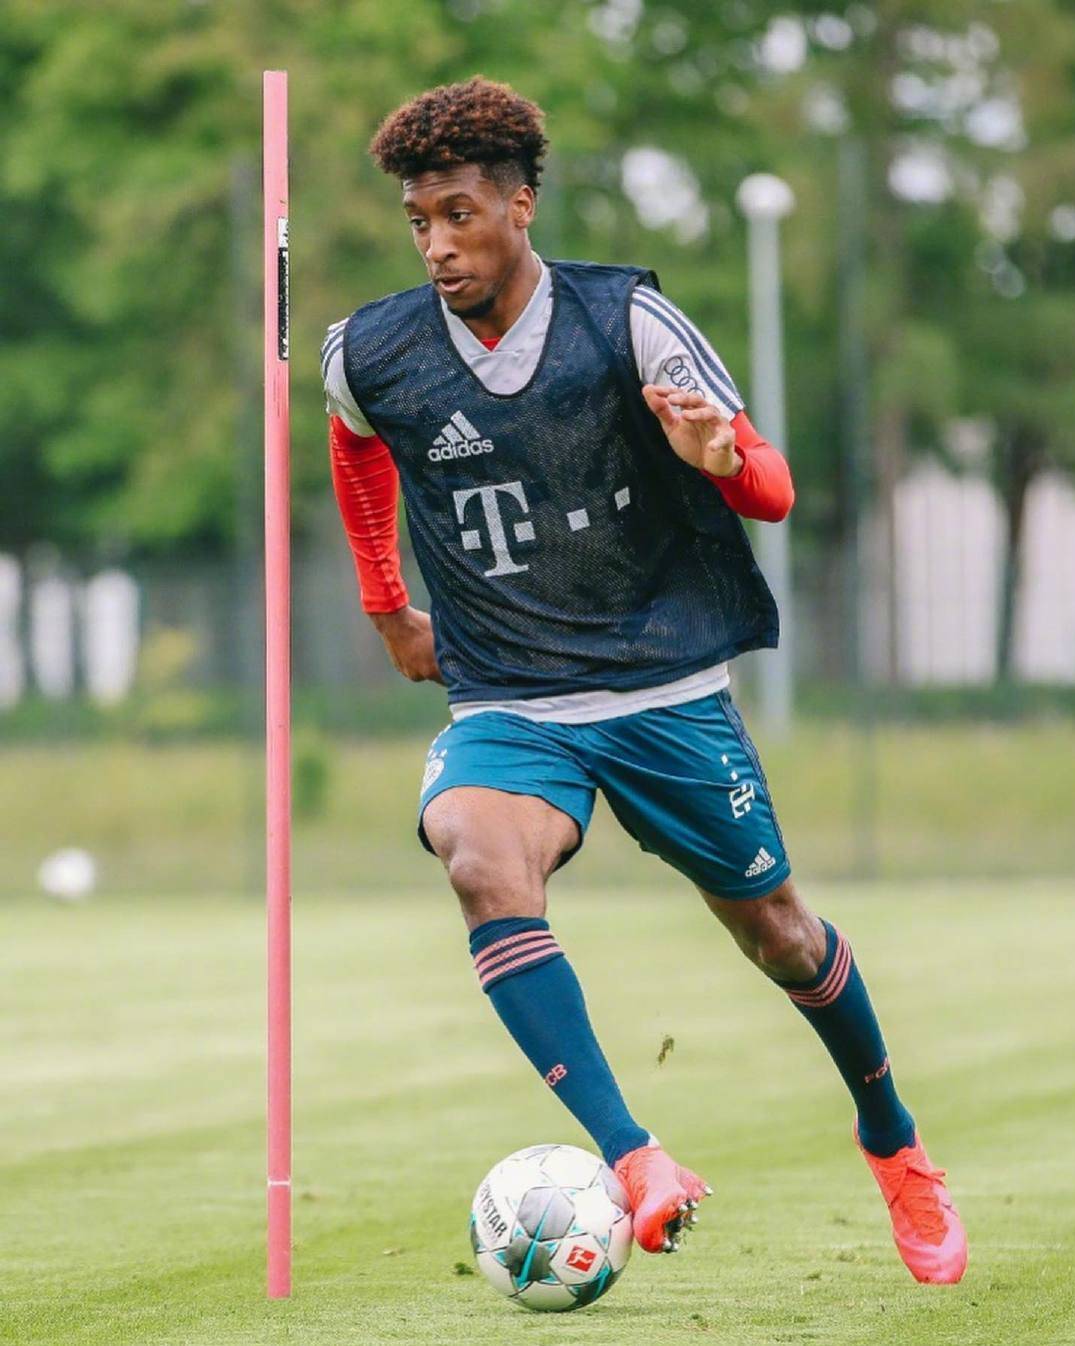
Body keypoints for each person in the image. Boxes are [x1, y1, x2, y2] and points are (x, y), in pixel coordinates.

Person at [322, 76, 966, 1282]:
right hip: (508, 692)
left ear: (520, 204)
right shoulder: (374, 349)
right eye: (418, 222)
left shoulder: (628, 322)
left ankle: (893, 1139)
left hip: (660, 683)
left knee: (780, 934)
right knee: (478, 855)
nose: (437, 244)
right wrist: (385, 601)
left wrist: (720, 460)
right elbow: (355, 441)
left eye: (459, 214)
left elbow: (770, 487)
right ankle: (633, 1155)